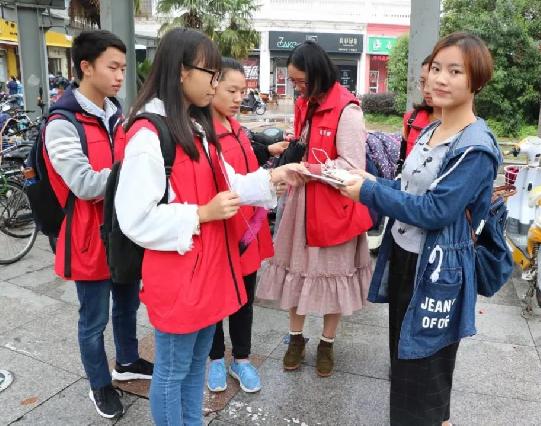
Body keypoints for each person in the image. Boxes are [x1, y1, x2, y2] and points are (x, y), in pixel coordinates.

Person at [114, 28, 307, 425]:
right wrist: (200, 214)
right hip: (179, 277)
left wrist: (273, 177)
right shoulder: (149, 135)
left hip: (208, 271)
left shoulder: (194, 126)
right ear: (181, 71)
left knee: (193, 369)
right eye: (212, 74)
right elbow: (134, 218)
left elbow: (228, 183)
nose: (216, 85)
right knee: (172, 373)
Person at [340, 32, 500, 425]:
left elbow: (435, 210)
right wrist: (370, 181)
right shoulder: (431, 130)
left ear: (477, 81)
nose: (440, 79)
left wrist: (370, 193)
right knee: (405, 362)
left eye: (455, 71)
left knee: (424, 374)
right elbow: (409, 188)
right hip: (407, 261)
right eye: (437, 69)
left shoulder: (475, 147)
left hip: (437, 272)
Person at [42, 30, 153, 419]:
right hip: (88, 237)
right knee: (93, 319)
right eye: (113, 67)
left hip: (122, 231)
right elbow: (85, 184)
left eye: (123, 68)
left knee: (127, 304)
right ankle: (99, 384)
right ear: (86, 67)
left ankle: (127, 361)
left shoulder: (117, 114)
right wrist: (137, 175)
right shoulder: (62, 122)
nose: (121, 75)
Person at [257, 41, 373, 378]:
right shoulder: (306, 103)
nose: (297, 88)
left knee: (334, 275)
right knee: (296, 272)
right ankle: (296, 338)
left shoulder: (348, 111)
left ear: (318, 74)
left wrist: (311, 168)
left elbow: (354, 166)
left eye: (301, 81)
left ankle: (326, 343)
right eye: (293, 81)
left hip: (333, 205)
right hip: (301, 203)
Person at [206, 57, 275, 394]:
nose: (238, 98)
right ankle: (215, 358)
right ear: (212, 85)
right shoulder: (202, 132)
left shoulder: (237, 129)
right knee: (215, 298)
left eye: (242, 91)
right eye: (231, 90)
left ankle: (242, 359)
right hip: (219, 230)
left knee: (245, 297)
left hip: (247, 230)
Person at [400, 55, 442, 162]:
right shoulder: (411, 120)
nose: (426, 90)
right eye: (423, 82)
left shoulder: (467, 129)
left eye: (433, 83)